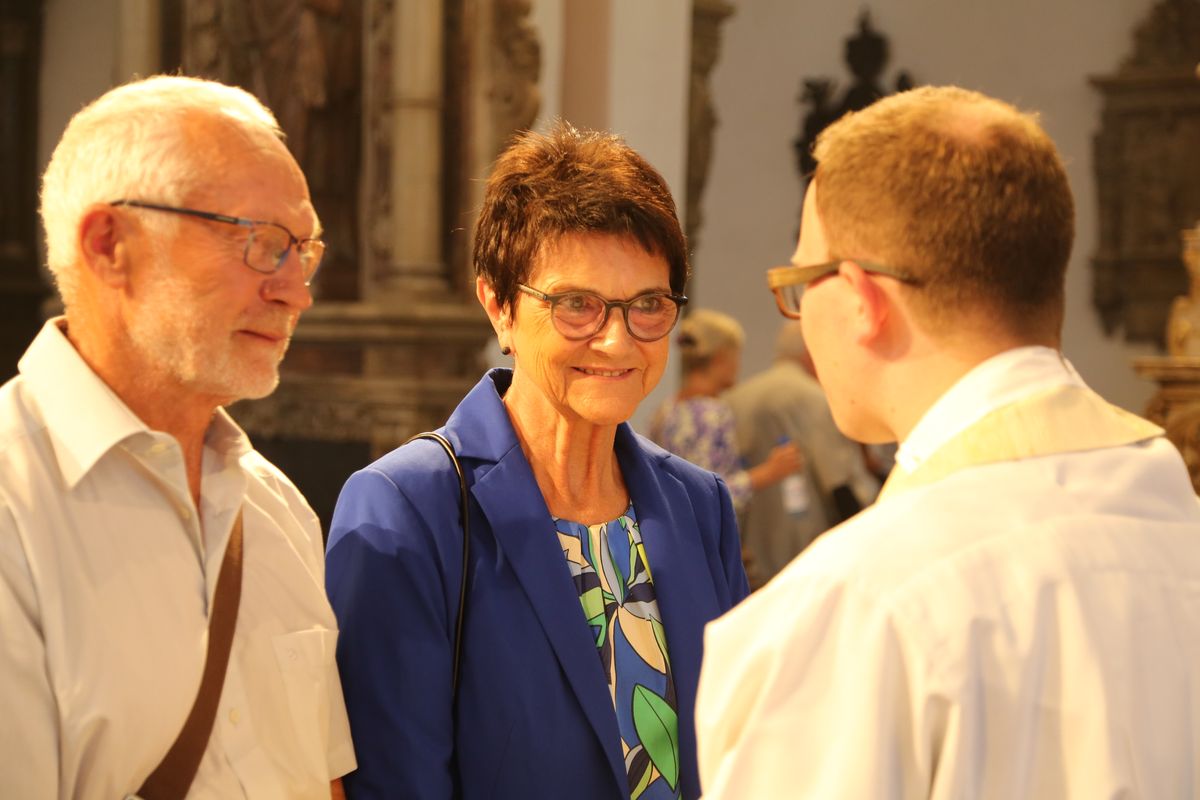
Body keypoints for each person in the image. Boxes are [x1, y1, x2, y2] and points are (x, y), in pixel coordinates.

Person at [696, 85, 1200, 797]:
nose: (802, 316)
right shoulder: (1177, 526)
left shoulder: (851, 614)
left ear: (861, 299)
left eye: (800, 286)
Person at [326, 123, 749, 799]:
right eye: (577, 305)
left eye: (648, 305)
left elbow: (736, 754)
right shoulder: (408, 509)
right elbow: (395, 783)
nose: (617, 341)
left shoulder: (700, 505)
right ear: (498, 306)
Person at [0, 75, 355, 798]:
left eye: (304, 251)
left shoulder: (278, 509)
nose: (297, 291)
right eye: (261, 244)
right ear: (110, 245)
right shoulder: (14, 505)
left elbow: (320, 781)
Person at [724, 321, 879, 579]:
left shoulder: (735, 397)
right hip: (804, 548)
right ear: (814, 352)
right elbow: (838, 482)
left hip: (747, 547)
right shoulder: (814, 396)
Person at [648, 309, 803, 515]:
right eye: (736, 356)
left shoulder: (666, 410)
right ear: (722, 358)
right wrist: (768, 472)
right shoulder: (711, 414)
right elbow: (704, 493)